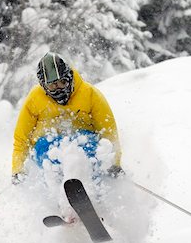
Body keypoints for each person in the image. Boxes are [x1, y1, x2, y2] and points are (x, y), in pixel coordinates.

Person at [12, 52, 123, 184]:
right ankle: (56, 189)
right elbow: (21, 139)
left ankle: (93, 190)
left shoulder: (90, 94)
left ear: (69, 78)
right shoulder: (34, 99)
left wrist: (113, 163)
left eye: (62, 82)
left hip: (84, 141)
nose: (58, 89)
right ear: (44, 85)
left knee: (88, 149)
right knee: (48, 154)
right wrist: (18, 169)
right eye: (52, 85)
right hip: (47, 145)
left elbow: (109, 132)